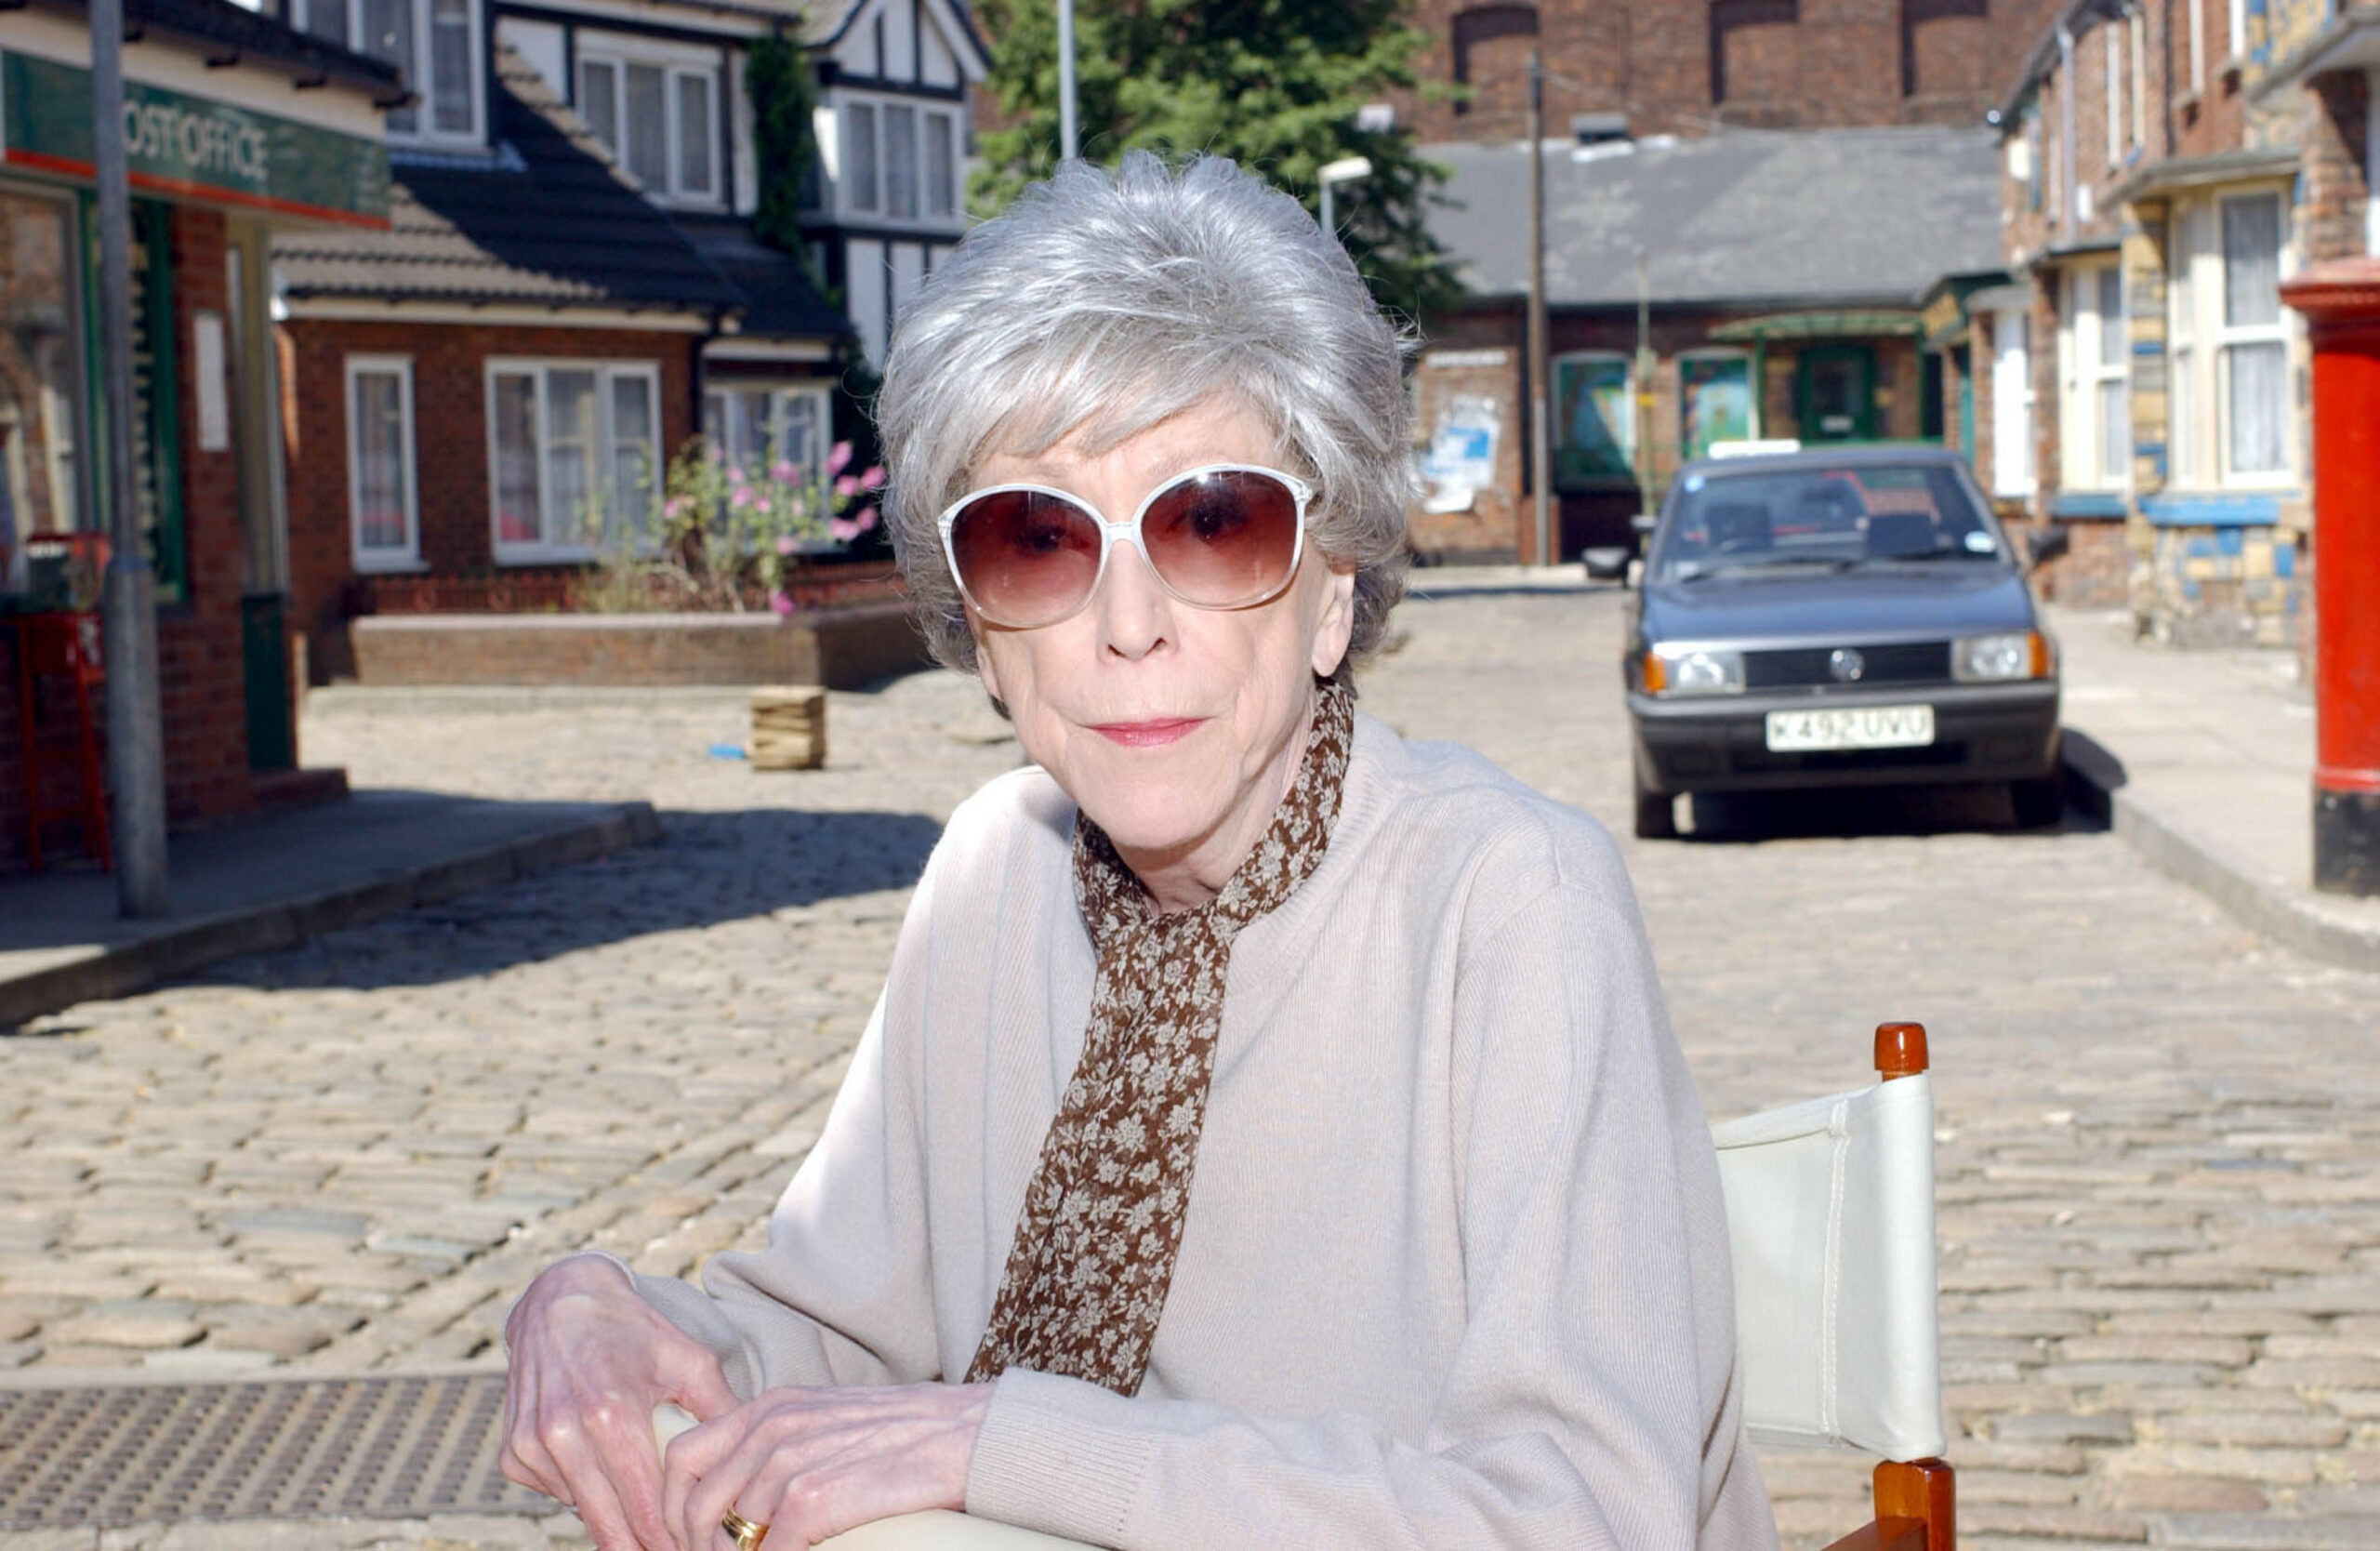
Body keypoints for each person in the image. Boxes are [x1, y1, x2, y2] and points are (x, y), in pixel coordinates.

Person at [501, 152, 1776, 1551]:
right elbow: (832, 1340)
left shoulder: (1512, 901)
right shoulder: (994, 872)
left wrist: (1004, 1444)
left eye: (1213, 523)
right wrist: (609, 1312)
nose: (1126, 623)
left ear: (1334, 591)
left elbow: (1591, 1514)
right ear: (982, 634)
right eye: (1036, 539)